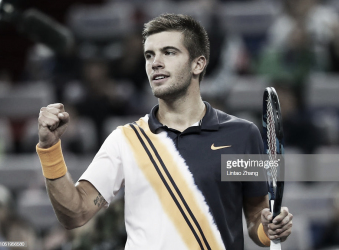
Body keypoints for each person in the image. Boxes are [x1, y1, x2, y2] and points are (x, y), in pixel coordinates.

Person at [36, 14, 293, 249]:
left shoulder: (242, 135)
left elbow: (256, 217)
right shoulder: (125, 140)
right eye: (149, 55)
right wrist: (50, 150)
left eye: (169, 52)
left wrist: (269, 230)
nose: (155, 63)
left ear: (198, 64)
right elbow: (76, 213)